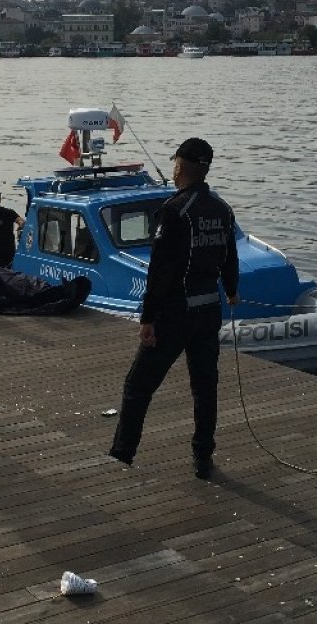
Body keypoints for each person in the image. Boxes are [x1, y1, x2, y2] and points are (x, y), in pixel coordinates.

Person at [108, 138, 239, 480]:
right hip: (209, 309)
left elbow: (160, 270)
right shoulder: (222, 210)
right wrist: (233, 290)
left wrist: (148, 319)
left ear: (180, 167)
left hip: (175, 313)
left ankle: (122, 455)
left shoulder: (174, 210)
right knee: (204, 387)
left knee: (138, 385)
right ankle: (203, 458)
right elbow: (231, 257)